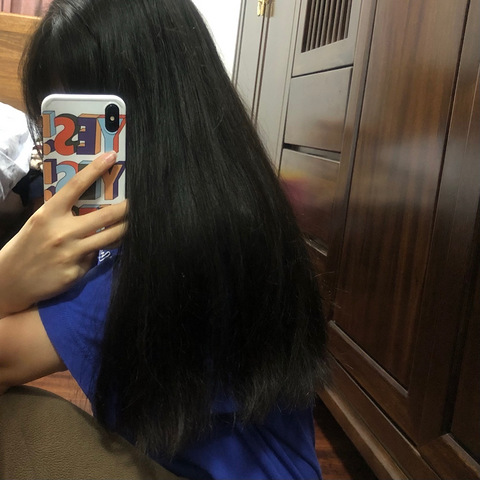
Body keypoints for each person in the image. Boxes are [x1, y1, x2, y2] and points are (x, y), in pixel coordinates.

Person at [0, 0, 329, 479]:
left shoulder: (163, 262)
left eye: (84, 127)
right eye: (55, 127)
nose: (61, 153)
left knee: (11, 420)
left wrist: (7, 274)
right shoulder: (233, 202)